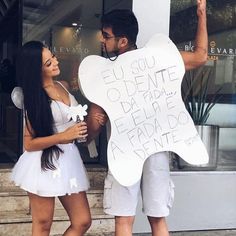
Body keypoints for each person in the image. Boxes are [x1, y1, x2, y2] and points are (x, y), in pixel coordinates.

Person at [87, 0, 208, 235]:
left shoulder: (105, 74)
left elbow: (93, 127)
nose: (101, 40)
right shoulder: (157, 60)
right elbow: (200, 56)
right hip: (155, 149)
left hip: (125, 152)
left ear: (122, 41)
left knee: (124, 221)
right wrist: (202, 15)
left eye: (105, 35)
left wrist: (90, 129)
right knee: (158, 219)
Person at [11, 41, 93, 236]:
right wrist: (62, 137)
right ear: (36, 70)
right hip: (43, 161)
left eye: (53, 57)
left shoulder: (62, 86)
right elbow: (29, 143)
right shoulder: (34, 97)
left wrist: (86, 125)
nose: (55, 62)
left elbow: (70, 121)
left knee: (82, 221)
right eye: (48, 63)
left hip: (69, 159)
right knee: (43, 223)